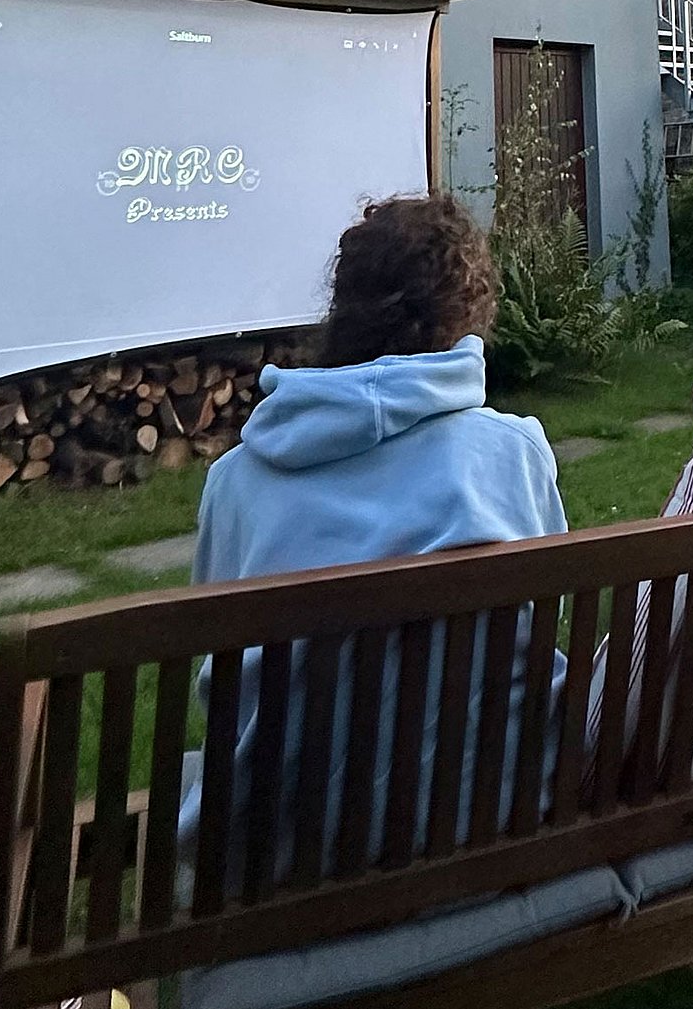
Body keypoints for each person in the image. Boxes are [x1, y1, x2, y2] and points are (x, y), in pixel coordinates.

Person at [177, 194, 569, 956]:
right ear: (470, 314)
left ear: (345, 306)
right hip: (488, 820)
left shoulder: (238, 484)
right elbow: (541, 624)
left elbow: (216, 681)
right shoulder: (515, 454)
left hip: (291, 859)